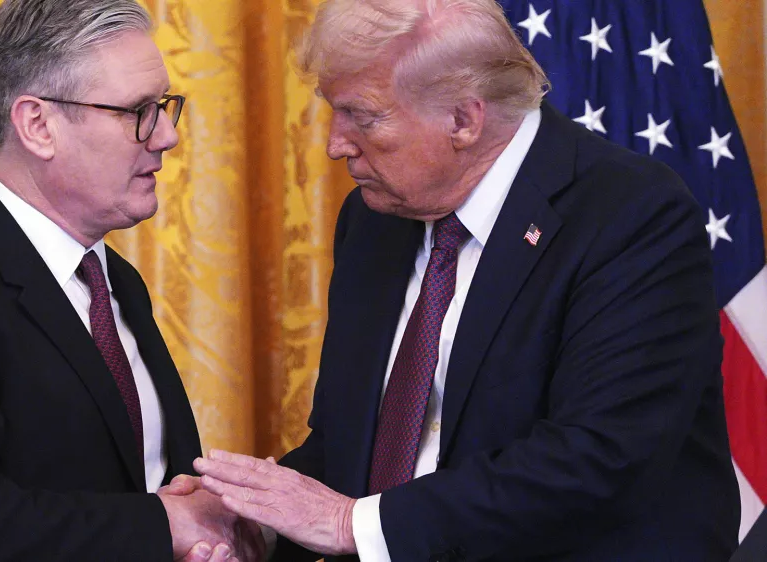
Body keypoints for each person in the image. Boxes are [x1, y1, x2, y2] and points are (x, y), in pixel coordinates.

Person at [193, 0, 741, 560]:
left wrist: (348, 526)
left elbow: (595, 459)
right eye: (333, 111)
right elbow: (352, 445)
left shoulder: (630, 216)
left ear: (463, 120)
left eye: (363, 116)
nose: (336, 144)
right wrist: (251, 522)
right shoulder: (374, 220)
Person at [0, 1, 261, 560]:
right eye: (137, 110)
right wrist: (163, 525)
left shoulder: (118, 283)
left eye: (163, 107)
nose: (165, 136)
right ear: (38, 125)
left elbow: (148, 485)